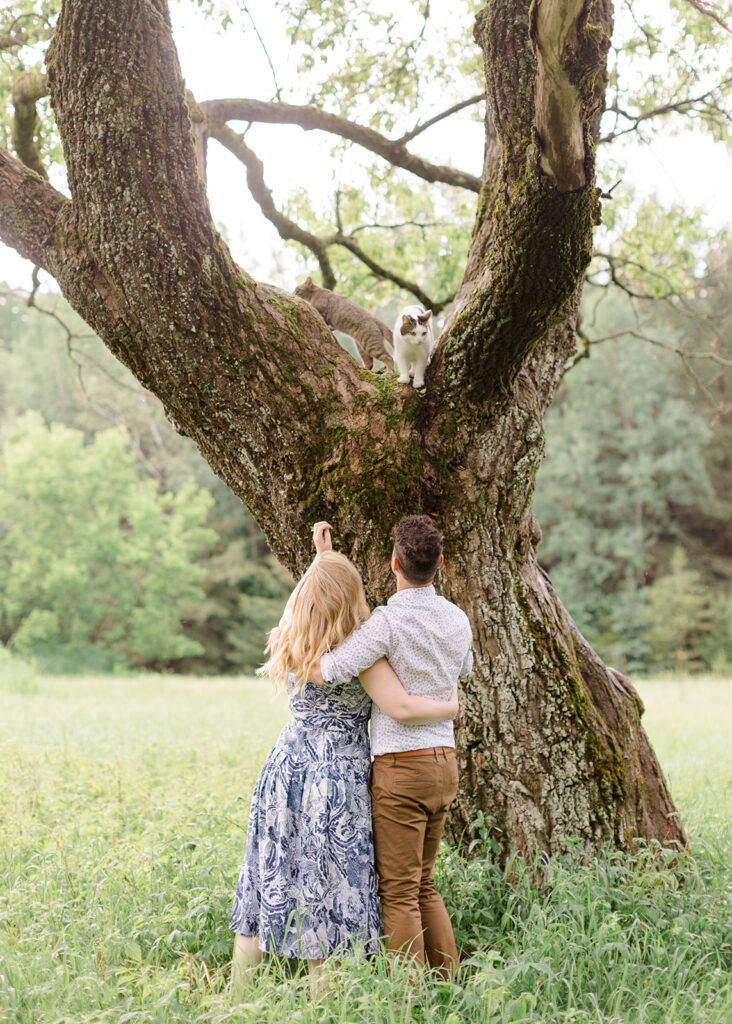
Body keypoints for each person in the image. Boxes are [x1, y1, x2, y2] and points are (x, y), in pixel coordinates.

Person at [229, 523, 458, 994]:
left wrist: (323, 559)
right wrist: (449, 705)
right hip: (336, 777)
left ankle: (237, 995)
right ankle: (331, 1000)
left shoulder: (291, 641)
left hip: (286, 768)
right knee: (325, 887)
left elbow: (319, 594)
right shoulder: (365, 656)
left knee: (265, 878)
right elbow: (399, 705)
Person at [309, 514, 473, 978]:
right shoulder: (458, 618)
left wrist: (295, 648)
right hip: (444, 764)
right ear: (440, 562)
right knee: (425, 884)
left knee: (399, 891)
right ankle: (448, 981)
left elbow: (333, 668)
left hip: (402, 767)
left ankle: (409, 996)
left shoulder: (386, 623)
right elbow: (465, 670)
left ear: (394, 563)